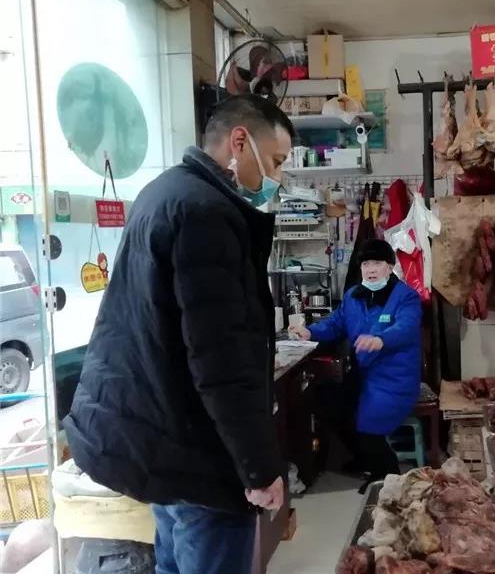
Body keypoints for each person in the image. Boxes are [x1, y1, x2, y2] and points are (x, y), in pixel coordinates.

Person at [64, 94, 294, 574]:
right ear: (239, 142)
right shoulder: (207, 214)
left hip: (163, 441)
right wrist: (258, 468)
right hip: (196, 455)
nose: (277, 177)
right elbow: (221, 360)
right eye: (275, 161)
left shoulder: (164, 191)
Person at [290, 239, 422, 492]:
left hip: (395, 379)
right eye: (366, 264)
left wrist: (381, 340)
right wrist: (310, 332)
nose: (371, 269)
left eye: (377, 263)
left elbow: (406, 327)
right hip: (362, 375)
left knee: (369, 417)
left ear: (389, 267)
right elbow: (335, 324)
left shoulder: (406, 297)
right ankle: (365, 457)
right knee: (327, 402)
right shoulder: (353, 296)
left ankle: (386, 473)